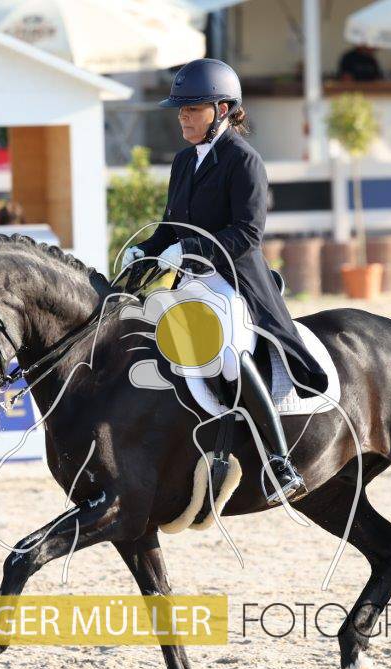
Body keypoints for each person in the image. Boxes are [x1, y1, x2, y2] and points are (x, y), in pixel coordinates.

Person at [122, 58, 329, 506]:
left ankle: (279, 462)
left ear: (221, 110)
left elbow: (247, 233)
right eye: (180, 110)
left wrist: (190, 249)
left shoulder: (244, 160)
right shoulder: (184, 161)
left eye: (192, 109)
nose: (183, 117)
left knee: (229, 350)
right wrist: (147, 250)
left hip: (234, 281)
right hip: (188, 281)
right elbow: (171, 225)